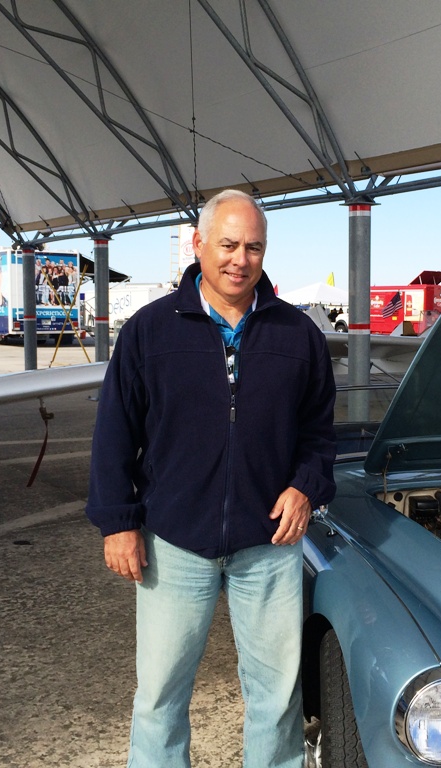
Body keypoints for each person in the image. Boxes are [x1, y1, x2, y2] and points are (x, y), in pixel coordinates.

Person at [85, 189, 337, 768]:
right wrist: (118, 523)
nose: (239, 260)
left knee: (278, 698)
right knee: (160, 696)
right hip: (174, 542)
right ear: (198, 244)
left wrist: (306, 485)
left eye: (253, 247)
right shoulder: (149, 331)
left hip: (269, 544)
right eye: (227, 245)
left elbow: (319, 433)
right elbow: (115, 432)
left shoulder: (298, 335)